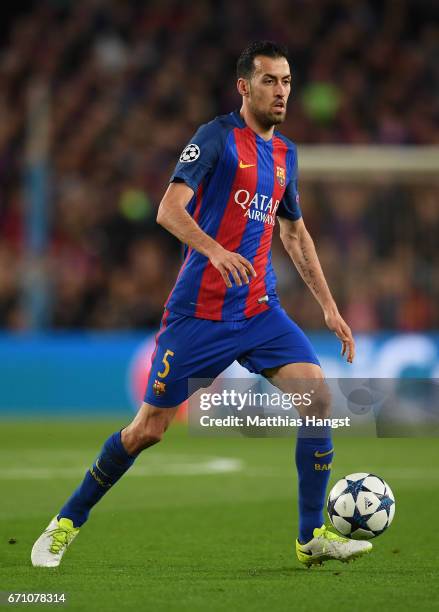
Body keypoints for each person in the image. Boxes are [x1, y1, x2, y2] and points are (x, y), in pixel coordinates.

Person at [31, 40, 371, 568]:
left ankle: (311, 538)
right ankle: (66, 522)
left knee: (318, 398)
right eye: (269, 81)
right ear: (244, 85)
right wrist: (213, 250)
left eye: (286, 82)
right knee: (147, 430)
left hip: (259, 309)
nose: (281, 91)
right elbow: (169, 210)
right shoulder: (215, 139)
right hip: (200, 315)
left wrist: (329, 306)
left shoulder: (287, 154)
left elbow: (295, 234)